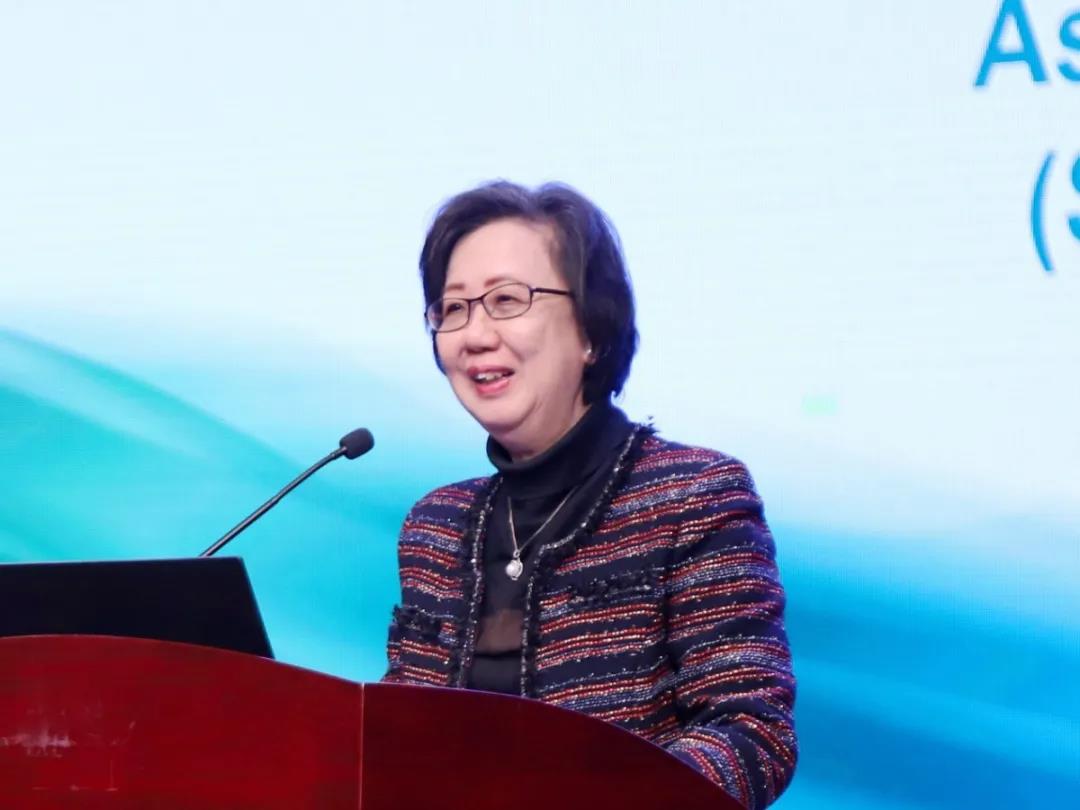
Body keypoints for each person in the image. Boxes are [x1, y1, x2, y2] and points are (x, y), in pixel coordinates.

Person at [383, 181, 797, 809]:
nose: (474, 334)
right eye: (453, 308)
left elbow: (751, 731)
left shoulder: (692, 496)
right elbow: (394, 738)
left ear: (590, 331)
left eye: (506, 300)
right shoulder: (435, 526)